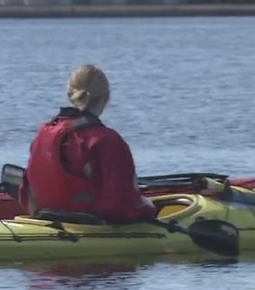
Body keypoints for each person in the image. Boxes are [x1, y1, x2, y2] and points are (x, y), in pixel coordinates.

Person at [18, 64, 156, 225]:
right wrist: (147, 208)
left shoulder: (44, 132)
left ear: (70, 94)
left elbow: (27, 193)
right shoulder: (106, 141)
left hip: (47, 218)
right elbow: (120, 207)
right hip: (91, 225)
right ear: (106, 98)